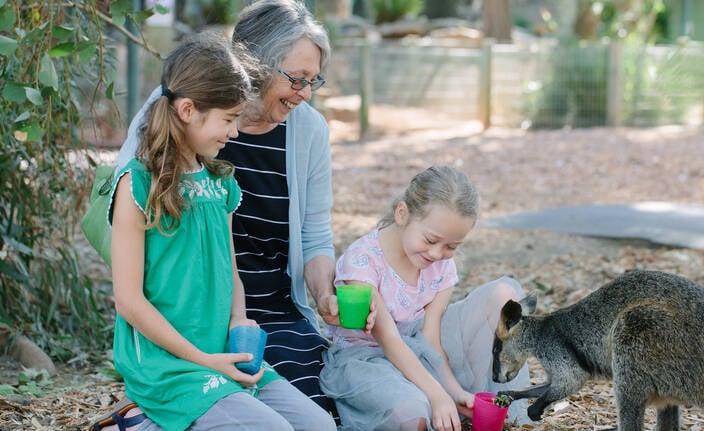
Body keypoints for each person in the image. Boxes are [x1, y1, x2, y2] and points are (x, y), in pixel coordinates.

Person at [112, 0, 364, 421]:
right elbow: (132, 245)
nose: (305, 94)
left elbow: (314, 236)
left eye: (313, 81)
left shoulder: (248, 163)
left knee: (325, 414)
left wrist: (324, 295)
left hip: (256, 315)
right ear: (257, 65)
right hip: (181, 320)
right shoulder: (177, 107)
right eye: (296, 79)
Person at [319, 165, 532, 431]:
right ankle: (428, 402)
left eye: (452, 246)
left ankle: (514, 416)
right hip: (367, 359)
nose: (437, 253)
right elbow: (390, 341)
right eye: (431, 239)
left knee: (504, 296)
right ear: (402, 213)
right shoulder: (363, 260)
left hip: (419, 350)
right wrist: (437, 395)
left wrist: (452, 391)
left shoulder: (441, 264)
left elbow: (431, 340)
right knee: (410, 413)